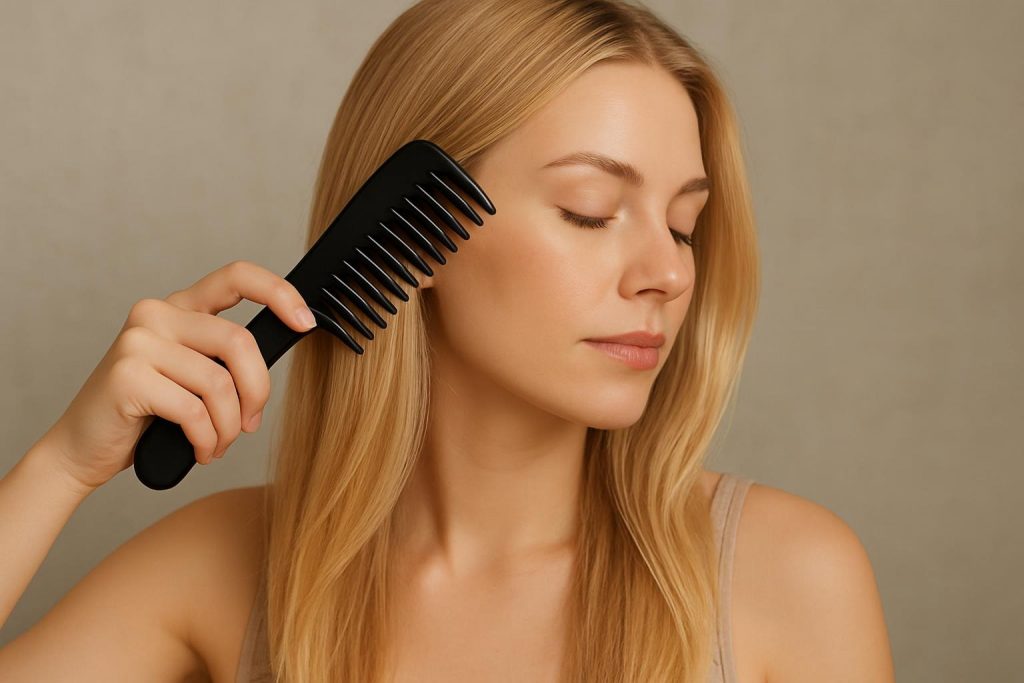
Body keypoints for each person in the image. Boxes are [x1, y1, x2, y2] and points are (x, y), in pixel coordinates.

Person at [0, 0, 896, 680]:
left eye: (685, 225)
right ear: (414, 234)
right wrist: (59, 469)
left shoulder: (786, 577)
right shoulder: (224, 569)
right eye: (591, 212)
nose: (666, 272)